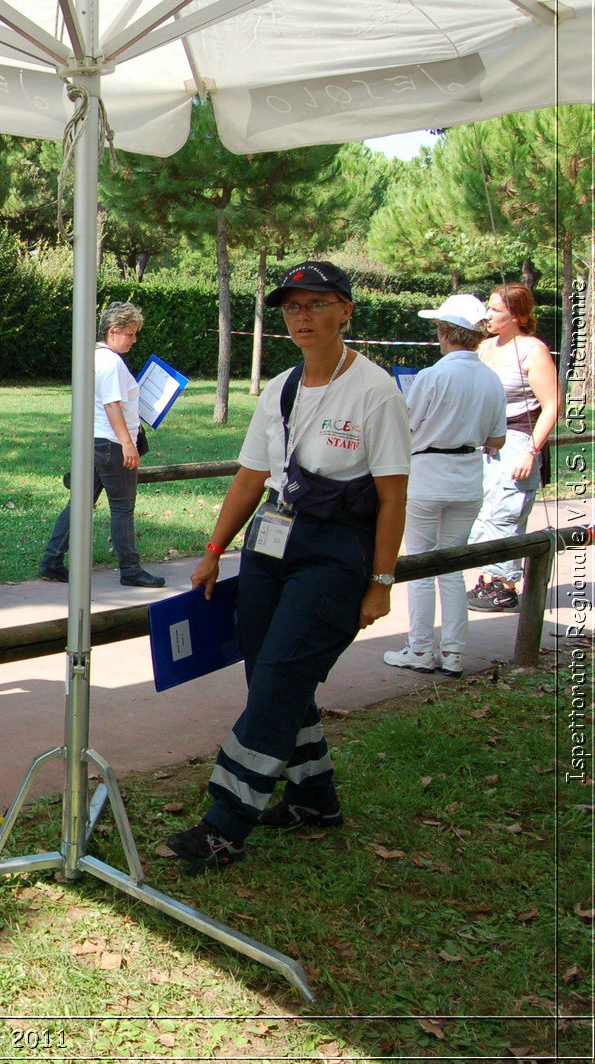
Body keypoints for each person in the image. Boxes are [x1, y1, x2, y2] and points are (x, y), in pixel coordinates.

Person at [167, 261, 410, 870]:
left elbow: (392, 496)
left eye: (316, 304)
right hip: (271, 545)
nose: (302, 317)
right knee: (272, 675)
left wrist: (381, 582)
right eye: (292, 307)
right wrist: (214, 549)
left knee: (277, 680)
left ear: (346, 311)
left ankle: (224, 824)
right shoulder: (280, 386)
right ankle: (314, 801)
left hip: (335, 552)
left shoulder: (375, 390)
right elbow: (252, 476)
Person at [383, 295, 506, 678]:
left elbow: (407, 425)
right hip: (468, 477)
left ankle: (420, 649)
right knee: (453, 564)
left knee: (421, 562)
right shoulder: (491, 378)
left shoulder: (433, 376)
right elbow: (497, 439)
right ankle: (452, 653)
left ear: (447, 333)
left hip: (428, 474)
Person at [38, 300, 164, 588]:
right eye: (130, 334)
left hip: (94, 442)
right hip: (111, 444)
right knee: (122, 508)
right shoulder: (110, 362)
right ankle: (130, 569)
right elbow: (111, 405)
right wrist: (128, 444)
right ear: (112, 330)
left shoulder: (93, 356)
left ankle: (52, 561)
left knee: (79, 504)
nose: (134, 339)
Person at [464, 283, 563, 613]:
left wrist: (531, 452)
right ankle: (490, 577)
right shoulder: (484, 347)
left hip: (518, 439)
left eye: (495, 309)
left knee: (506, 513)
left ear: (516, 315)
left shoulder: (533, 350)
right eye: (488, 308)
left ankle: (505, 586)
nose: (487, 315)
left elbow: (551, 405)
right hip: (485, 442)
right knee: (484, 512)